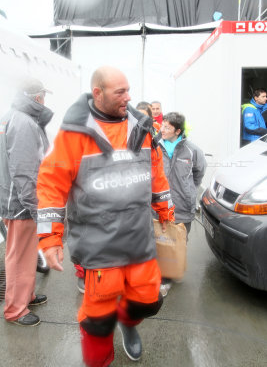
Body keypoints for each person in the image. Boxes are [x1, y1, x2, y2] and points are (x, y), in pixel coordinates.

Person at [36, 66, 175, 367]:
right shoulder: (73, 135)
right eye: (120, 92)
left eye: (128, 89)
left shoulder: (142, 126)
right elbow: (51, 184)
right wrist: (50, 238)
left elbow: (156, 172)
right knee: (98, 321)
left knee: (148, 301)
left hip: (139, 240)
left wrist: (165, 207)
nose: (129, 97)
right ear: (97, 93)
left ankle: (127, 322)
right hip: (99, 248)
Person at [0, 77, 52, 326]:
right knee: (19, 257)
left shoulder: (11, 116)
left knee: (26, 254)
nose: (45, 100)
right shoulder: (24, 122)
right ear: (37, 97)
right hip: (21, 202)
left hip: (13, 197)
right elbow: (24, 171)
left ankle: (26, 295)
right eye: (44, 95)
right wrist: (36, 206)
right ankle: (15, 309)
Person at [157, 112, 206, 297]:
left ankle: (175, 268)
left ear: (177, 131)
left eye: (167, 127)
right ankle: (166, 278)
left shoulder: (192, 150)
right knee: (163, 241)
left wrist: (190, 189)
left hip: (183, 204)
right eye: (162, 125)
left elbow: (199, 171)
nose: (162, 129)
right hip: (161, 204)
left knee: (180, 240)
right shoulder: (156, 147)